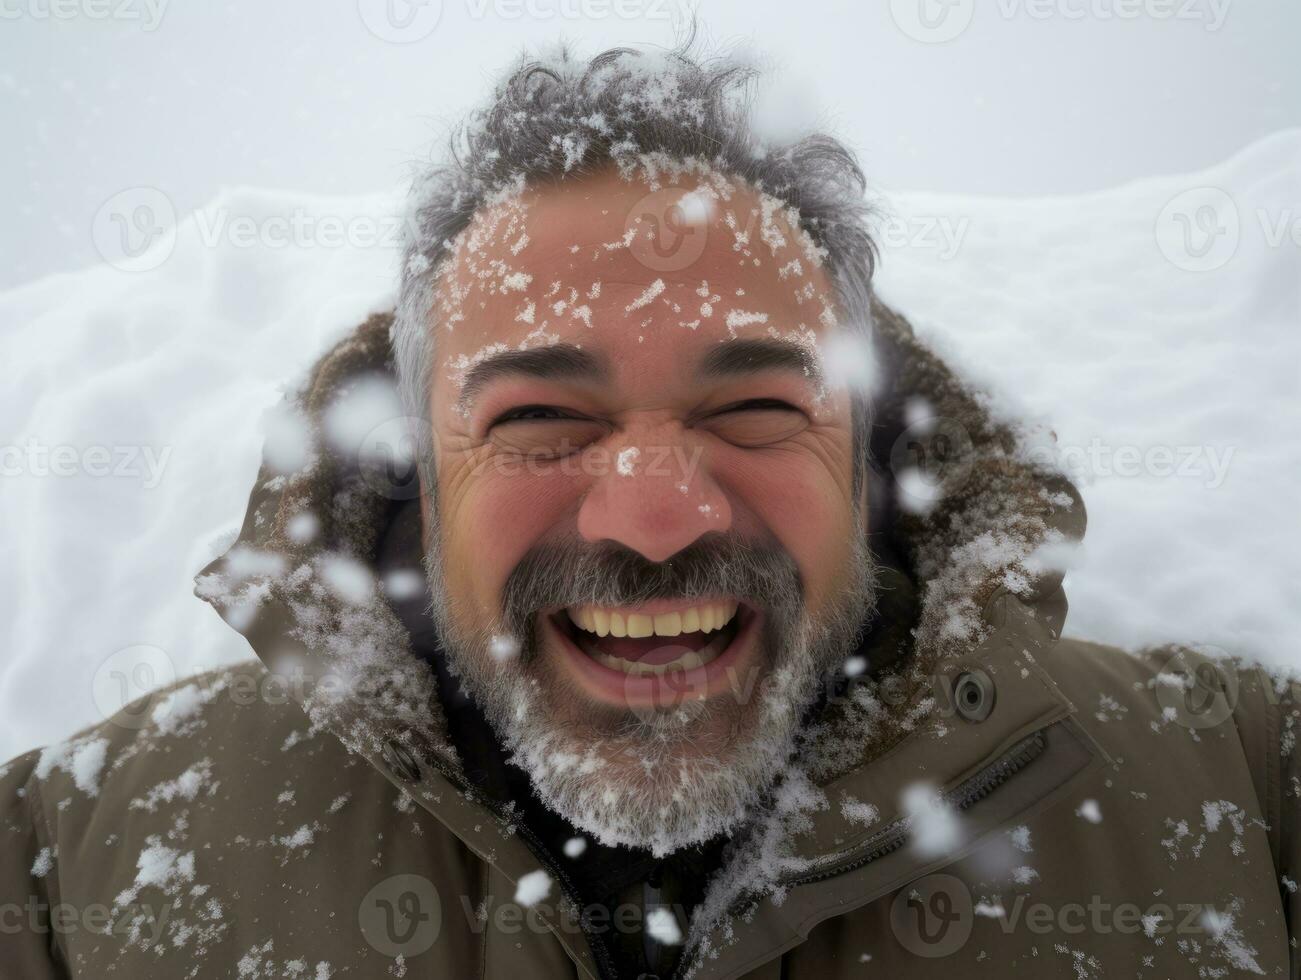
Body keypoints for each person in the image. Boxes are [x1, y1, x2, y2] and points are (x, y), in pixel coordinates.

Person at [3, 36, 1297, 979]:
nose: (653, 521)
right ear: (416, 466)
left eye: (751, 411)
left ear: (866, 448)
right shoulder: (66, 863)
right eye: (538, 420)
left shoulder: (1239, 781)